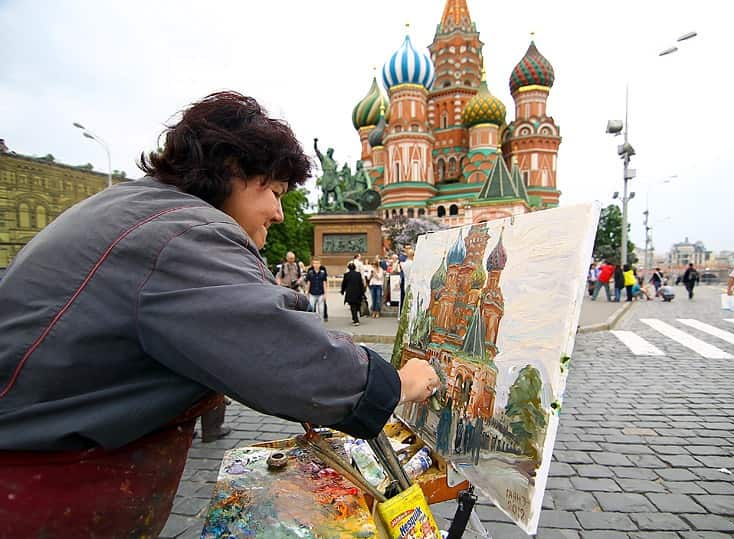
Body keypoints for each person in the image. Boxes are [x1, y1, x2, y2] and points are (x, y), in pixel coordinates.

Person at [0, 91, 439, 537]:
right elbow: (287, 355)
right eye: (273, 190)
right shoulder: (185, 233)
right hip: (39, 489)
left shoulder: (139, 209)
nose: (277, 211)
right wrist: (399, 383)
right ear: (232, 168)